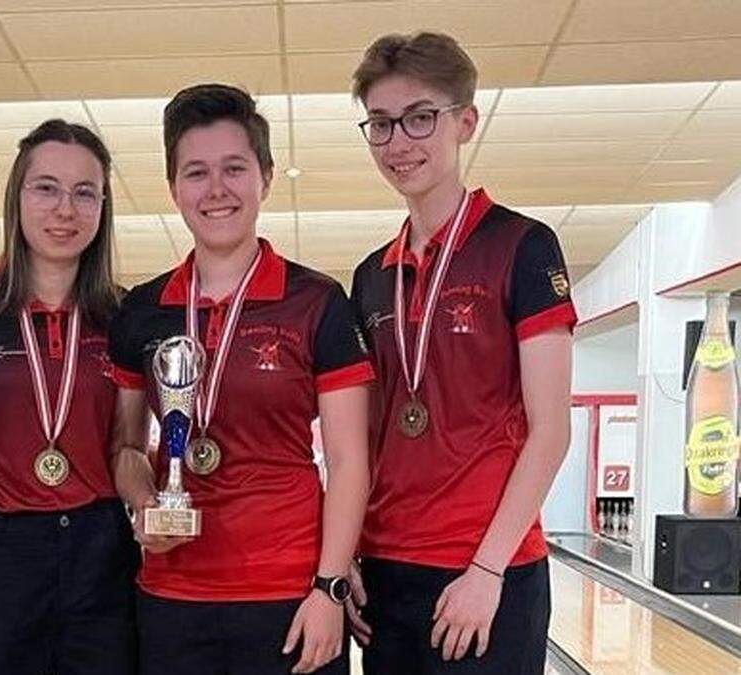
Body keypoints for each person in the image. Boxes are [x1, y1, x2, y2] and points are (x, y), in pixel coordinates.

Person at [109, 83, 373, 675]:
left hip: (287, 593)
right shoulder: (143, 310)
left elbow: (350, 459)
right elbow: (124, 445)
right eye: (196, 172)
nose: (217, 189)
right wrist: (145, 503)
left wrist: (329, 587)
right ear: (174, 186)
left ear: (266, 176)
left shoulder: (317, 301)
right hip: (172, 596)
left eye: (234, 168)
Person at [346, 32, 576, 674]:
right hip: (390, 568)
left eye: (421, 118)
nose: (399, 143)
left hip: (488, 567)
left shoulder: (523, 246)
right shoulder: (371, 276)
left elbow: (551, 429)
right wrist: (352, 556)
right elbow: (369, 435)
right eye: (382, 125)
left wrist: (486, 568)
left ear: (465, 122)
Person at [0, 119, 138, 675]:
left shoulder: (125, 314)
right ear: (16, 197)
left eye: (84, 192)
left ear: (102, 206)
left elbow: (126, 439)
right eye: (46, 187)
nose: (65, 209)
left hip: (100, 548)